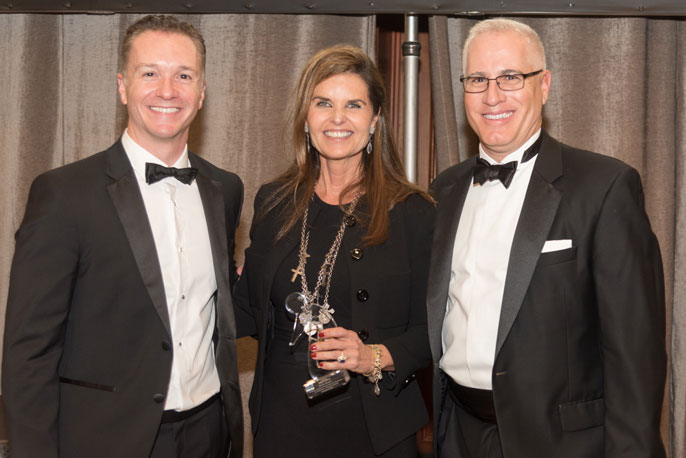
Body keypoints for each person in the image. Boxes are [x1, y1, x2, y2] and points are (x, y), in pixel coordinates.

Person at [2, 15, 243, 458]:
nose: (167, 90)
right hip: (105, 438)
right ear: (122, 86)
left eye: (183, 75)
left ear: (202, 91)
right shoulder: (63, 193)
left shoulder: (225, 189)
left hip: (208, 431)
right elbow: (28, 351)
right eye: (149, 73)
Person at [427, 18, 666, 458]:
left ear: (544, 85)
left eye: (511, 78)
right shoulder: (444, 189)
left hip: (564, 445)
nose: (492, 96)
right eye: (478, 79)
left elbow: (635, 355)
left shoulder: (605, 186)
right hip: (459, 435)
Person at [234, 44, 434, 458]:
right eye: (323, 103)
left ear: (375, 119)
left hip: (375, 430)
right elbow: (244, 310)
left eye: (354, 105)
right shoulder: (272, 202)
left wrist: (374, 355)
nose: (338, 118)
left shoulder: (414, 212)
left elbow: (437, 330)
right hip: (282, 426)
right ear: (305, 118)